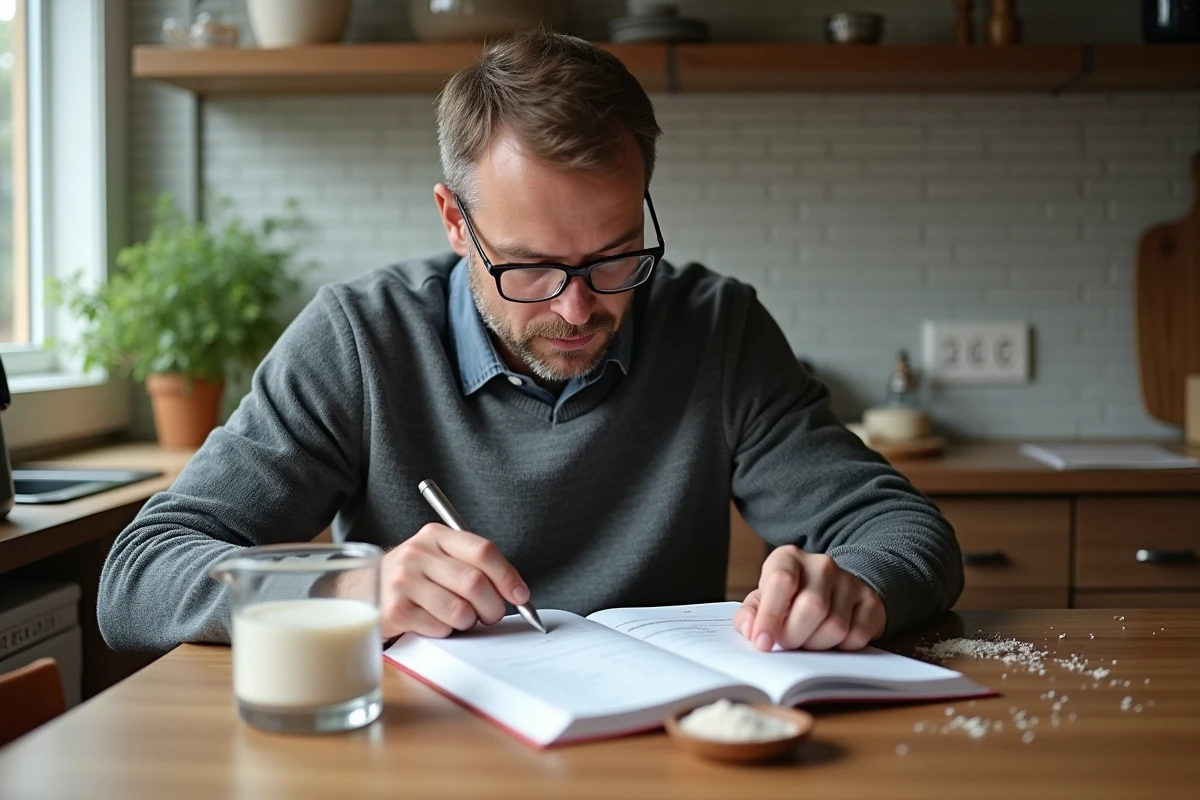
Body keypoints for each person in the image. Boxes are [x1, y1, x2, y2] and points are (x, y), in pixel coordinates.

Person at [98, 30, 961, 656]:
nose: (579, 307)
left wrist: (856, 588)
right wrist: (350, 589)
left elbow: (904, 531)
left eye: (616, 255)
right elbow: (138, 576)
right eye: (531, 268)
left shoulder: (716, 329)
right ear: (454, 222)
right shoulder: (359, 340)